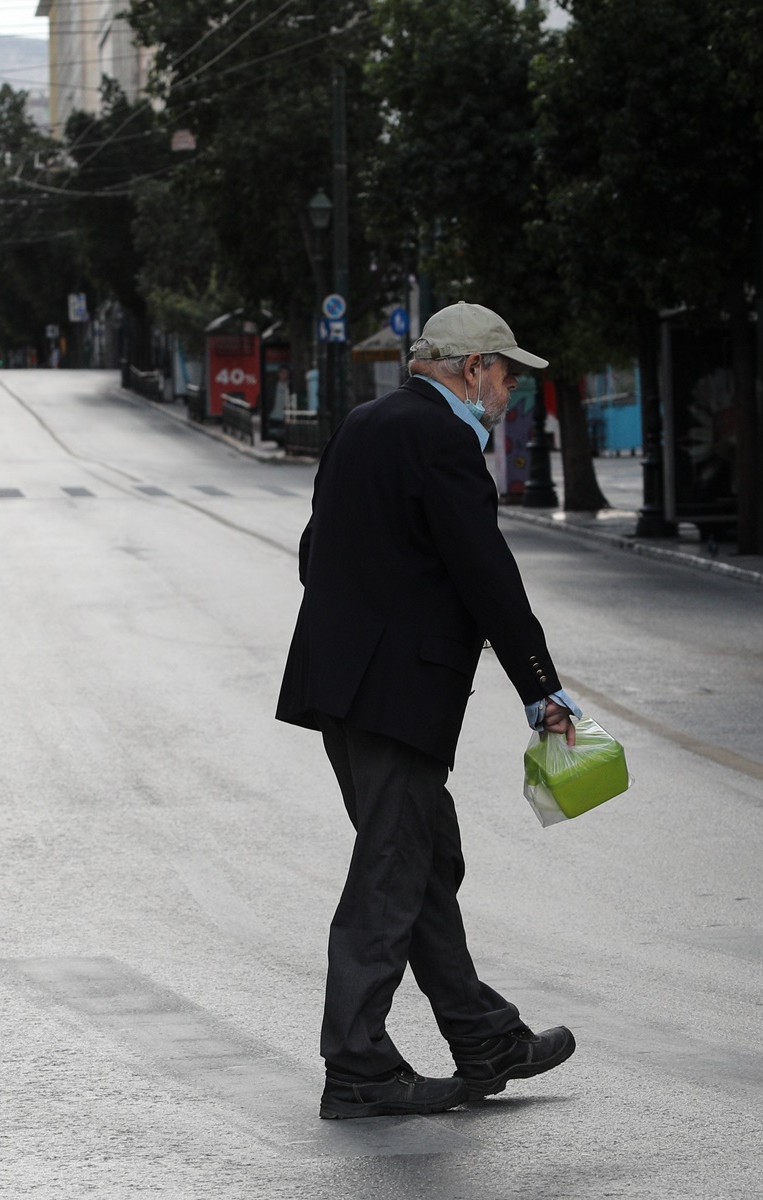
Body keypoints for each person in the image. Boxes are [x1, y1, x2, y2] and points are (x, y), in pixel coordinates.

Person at [277, 302, 581, 1121]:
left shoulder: (363, 425)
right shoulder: (446, 440)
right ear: (470, 368)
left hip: (340, 690)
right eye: (506, 371)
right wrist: (542, 691)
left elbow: (316, 553)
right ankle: (359, 1065)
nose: (511, 388)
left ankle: (484, 1035)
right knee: (389, 875)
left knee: (422, 862)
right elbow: (486, 574)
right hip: (398, 696)